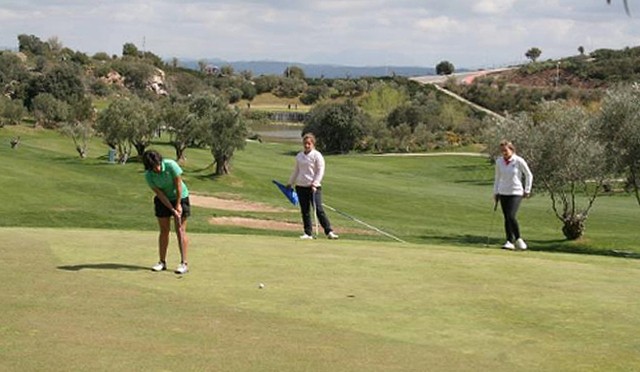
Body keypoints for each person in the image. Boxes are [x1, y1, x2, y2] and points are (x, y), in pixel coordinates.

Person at [143, 150, 191, 274]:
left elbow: (178, 185)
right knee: (164, 230)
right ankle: (162, 262)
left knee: (180, 229)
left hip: (180, 196)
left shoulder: (171, 165)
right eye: (153, 167)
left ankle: (184, 263)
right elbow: (160, 194)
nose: (157, 168)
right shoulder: (148, 175)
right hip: (163, 201)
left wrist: (178, 205)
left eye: (158, 164)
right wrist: (172, 209)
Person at [287, 133, 339, 240]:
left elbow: (320, 171)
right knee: (305, 211)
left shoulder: (317, 155)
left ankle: (329, 231)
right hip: (301, 186)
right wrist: (290, 183)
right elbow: (296, 171)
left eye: (309, 144)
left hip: (313, 187)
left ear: (313, 144)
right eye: (305, 143)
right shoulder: (299, 156)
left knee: (319, 209)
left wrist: (315, 183)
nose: (307, 146)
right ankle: (308, 233)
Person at [493, 140, 533, 250]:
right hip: (503, 192)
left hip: (516, 192)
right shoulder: (499, 161)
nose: (504, 153)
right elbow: (497, 178)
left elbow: (529, 175)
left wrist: (527, 190)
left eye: (506, 150)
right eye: (502, 151)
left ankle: (519, 239)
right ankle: (509, 241)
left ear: (511, 150)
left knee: (511, 216)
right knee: (506, 217)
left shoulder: (519, 161)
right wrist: (495, 192)